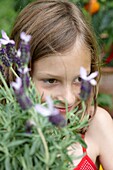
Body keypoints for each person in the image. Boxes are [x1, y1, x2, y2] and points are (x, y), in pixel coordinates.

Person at [9, 0, 113, 169]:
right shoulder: (8, 138)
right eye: (51, 81)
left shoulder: (96, 124)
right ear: (21, 74)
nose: (68, 98)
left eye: (79, 79)